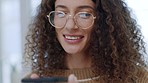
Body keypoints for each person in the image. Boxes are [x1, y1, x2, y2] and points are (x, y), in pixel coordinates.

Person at [23, 0, 148, 83]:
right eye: (61, 13)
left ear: (103, 20)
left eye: (84, 14)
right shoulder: (38, 80)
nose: (70, 26)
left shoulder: (137, 78)